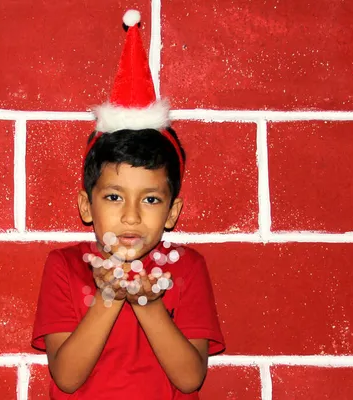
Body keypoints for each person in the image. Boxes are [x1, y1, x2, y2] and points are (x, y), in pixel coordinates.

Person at [31, 10, 225, 399]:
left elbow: (191, 379)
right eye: (114, 197)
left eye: (151, 199)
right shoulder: (65, 267)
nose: (132, 215)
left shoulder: (187, 269)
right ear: (87, 207)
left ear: (172, 212)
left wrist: (147, 303)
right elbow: (66, 377)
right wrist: (108, 296)